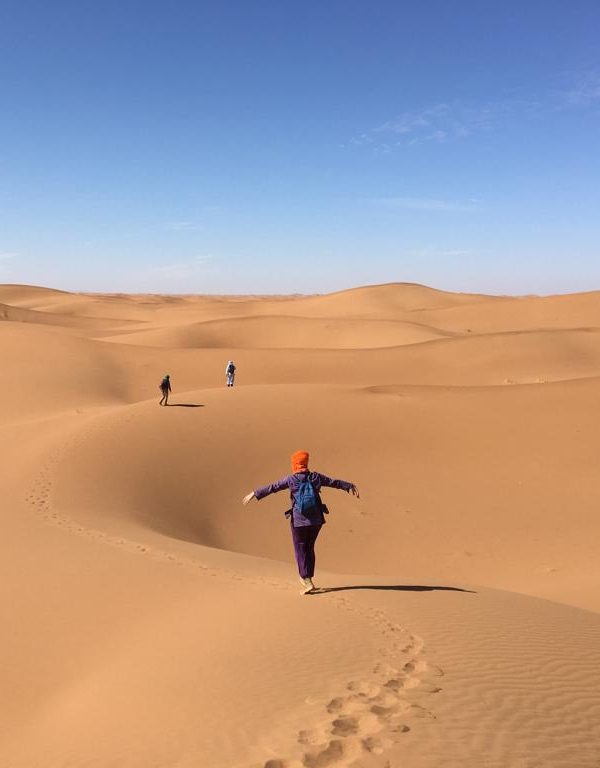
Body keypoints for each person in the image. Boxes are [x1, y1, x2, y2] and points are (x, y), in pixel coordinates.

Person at [242, 450, 359, 594]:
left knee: (300, 548)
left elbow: (273, 487)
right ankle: (308, 577)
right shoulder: (316, 477)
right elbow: (333, 482)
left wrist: (254, 493)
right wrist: (349, 486)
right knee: (309, 547)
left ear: (294, 464)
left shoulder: (291, 480)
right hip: (316, 520)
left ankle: (306, 579)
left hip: (299, 521)